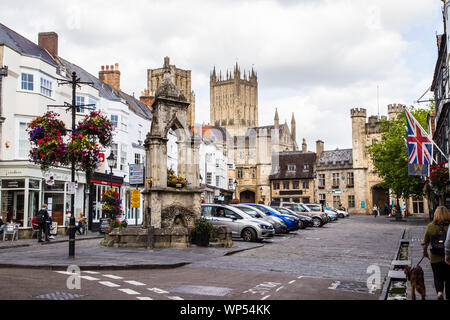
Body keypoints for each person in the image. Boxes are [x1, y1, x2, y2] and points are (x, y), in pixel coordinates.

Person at [422, 206, 450, 300]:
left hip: (435, 257)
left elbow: (425, 242)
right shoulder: (449, 226)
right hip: (448, 257)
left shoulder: (430, 226)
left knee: (437, 277)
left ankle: (439, 293)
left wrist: (424, 252)